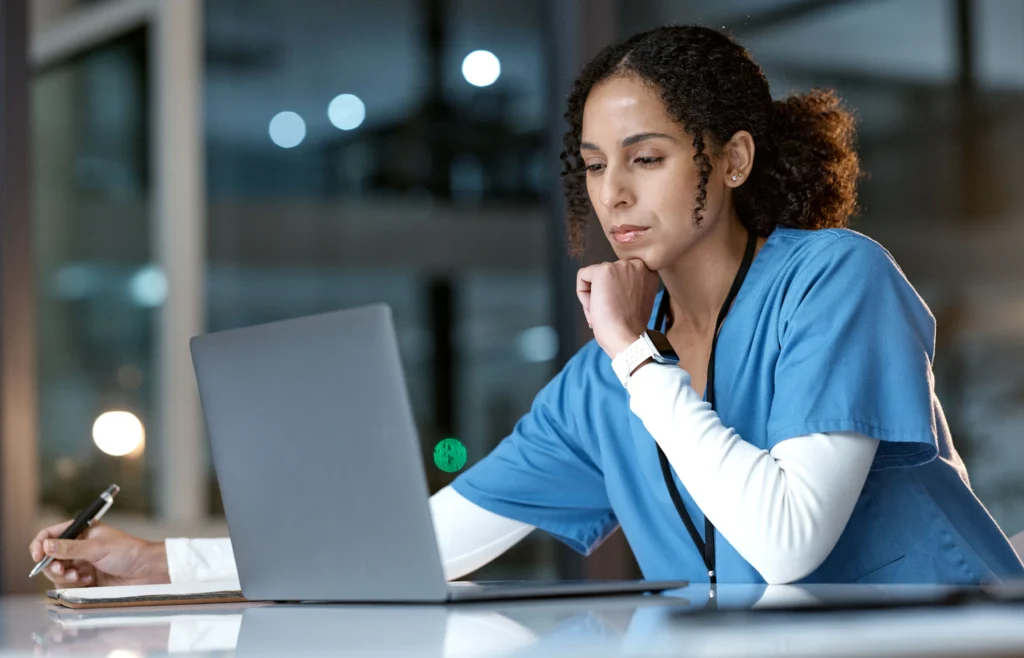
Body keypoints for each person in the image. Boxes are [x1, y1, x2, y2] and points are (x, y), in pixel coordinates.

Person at [30, 24, 1024, 588]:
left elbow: (787, 541)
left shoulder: (832, 280)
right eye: (594, 167)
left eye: (648, 158)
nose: (614, 195)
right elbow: (420, 546)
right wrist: (153, 561)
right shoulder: (599, 385)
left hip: (947, 644)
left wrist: (637, 358)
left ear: (729, 158)